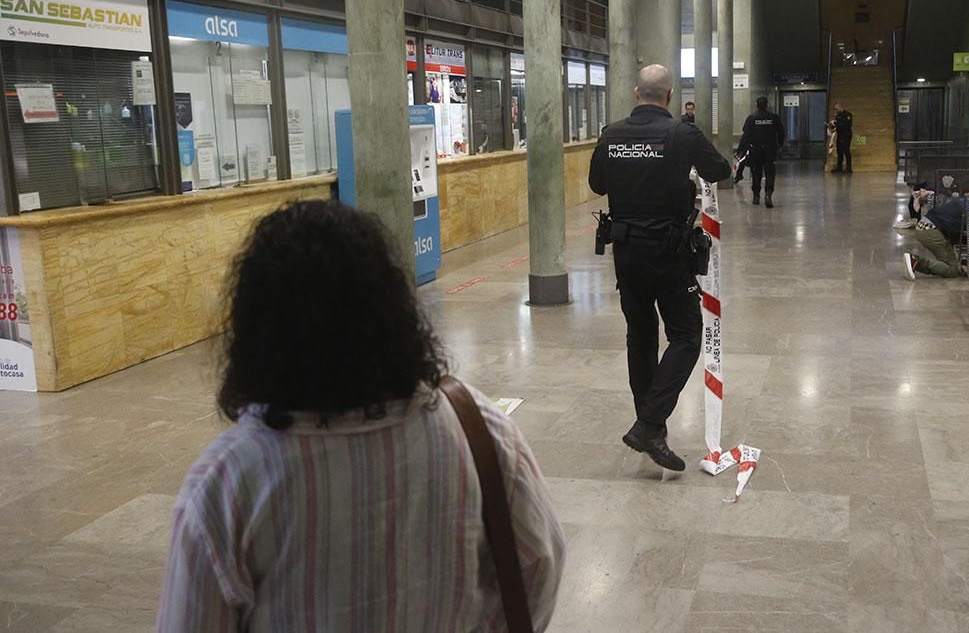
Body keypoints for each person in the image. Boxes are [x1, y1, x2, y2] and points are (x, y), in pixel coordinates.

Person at [156, 201, 565, 631]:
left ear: (258, 331)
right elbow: (540, 561)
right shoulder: (477, 429)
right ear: (393, 308)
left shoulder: (227, 482)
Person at [588, 64, 731, 472]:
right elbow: (720, 170)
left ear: (637, 92)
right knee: (686, 334)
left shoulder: (611, 134)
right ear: (669, 95)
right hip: (669, 254)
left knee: (641, 335)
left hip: (627, 250)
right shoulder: (682, 133)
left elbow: (597, 184)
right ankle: (650, 424)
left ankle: (652, 428)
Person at [902, 188, 969, 279]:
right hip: (931, 230)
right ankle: (916, 262)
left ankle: (955, 268)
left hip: (926, 225)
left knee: (952, 264)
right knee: (952, 270)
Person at [738, 97, 785, 207]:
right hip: (770, 150)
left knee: (756, 173)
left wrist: (742, 149)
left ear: (756, 105)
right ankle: (768, 195)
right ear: (767, 105)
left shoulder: (751, 118)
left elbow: (745, 134)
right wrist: (780, 145)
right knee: (770, 173)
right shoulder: (773, 118)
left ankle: (756, 196)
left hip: (755, 150)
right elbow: (781, 132)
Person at [830, 102, 853, 173]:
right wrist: (831, 125)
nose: (836, 110)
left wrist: (836, 123)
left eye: (836, 109)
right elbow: (835, 126)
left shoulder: (848, 115)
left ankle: (849, 168)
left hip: (846, 135)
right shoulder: (838, 116)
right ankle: (839, 167)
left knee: (846, 151)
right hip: (840, 135)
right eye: (835, 109)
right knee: (839, 151)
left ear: (840, 107)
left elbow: (846, 125)